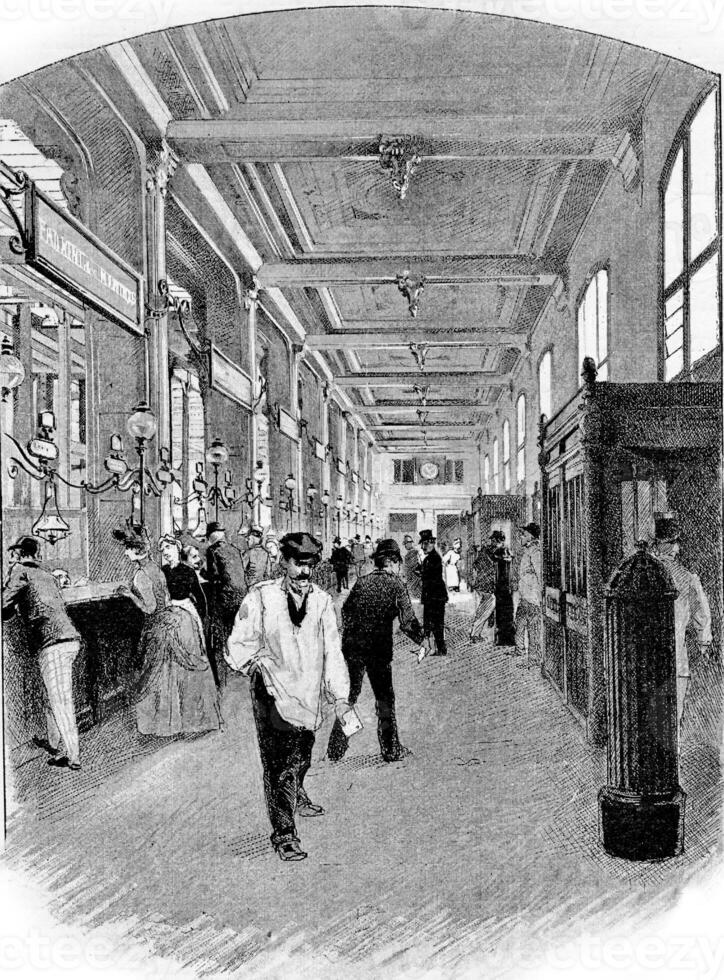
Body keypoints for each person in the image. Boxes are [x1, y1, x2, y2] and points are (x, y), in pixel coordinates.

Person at [226, 532, 354, 862]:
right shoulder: (261, 597)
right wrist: (257, 664)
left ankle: (296, 790)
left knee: (303, 756)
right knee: (278, 763)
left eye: (310, 566)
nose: (304, 573)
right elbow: (238, 641)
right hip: (270, 690)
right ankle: (284, 834)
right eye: (298, 565)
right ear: (284, 563)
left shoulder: (323, 602)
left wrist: (340, 695)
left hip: (307, 692)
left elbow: (333, 651)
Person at [327, 538, 429, 763]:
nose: (399, 568)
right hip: (378, 649)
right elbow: (408, 621)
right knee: (384, 698)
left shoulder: (362, 582)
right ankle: (391, 750)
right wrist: (422, 640)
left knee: (349, 696)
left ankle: (336, 748)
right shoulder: (396, 585)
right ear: (392, 562)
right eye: (398, 563)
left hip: (353, 647)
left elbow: (346, 610)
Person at [114, 527, 222, 736]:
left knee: (164, 673)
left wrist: (130, 595)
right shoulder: (156, 568)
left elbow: (151, 608)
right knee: (176, 673)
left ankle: (166, 723)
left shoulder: (141, 575)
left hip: (165, 622)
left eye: (127, 549)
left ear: (136, 551)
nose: (125, 553)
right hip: (181, 619)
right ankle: (187, 720)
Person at [2, 535, 82, 771]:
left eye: (14, 553)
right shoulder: (46, 574)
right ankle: (58, 749)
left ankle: (74, 756)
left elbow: (4, 600)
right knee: (51, 698)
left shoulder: (20, 571)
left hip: (53, 643)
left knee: (60, 701)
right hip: (67, 640)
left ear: (19, 553)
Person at [652, 514, 712, 726]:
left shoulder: (648, 573)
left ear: (657, 544)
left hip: (647, 663)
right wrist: (703, 645)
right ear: (675, 545)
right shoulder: (687, 577)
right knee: (672, 720)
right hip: (677, 662)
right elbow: (702, 619)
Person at [205, 521, 247, 688]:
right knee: (235, 630)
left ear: (211, 536)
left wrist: (202, 573)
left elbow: (214, 575)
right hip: (241, 596)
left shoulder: (212, 551)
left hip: (224, 597)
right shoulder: (235, 549)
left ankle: (222, 674)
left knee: (220, 633)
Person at [514, 523, 542, 667]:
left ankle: (533, 659)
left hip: (532, 597)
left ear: (531, 536)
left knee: (533, 629)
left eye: (524, 535)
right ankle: (519, 650)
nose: (521, 537)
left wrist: (539, 596)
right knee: (519, 623)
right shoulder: (528, 550)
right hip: (525, 596)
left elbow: (540, 575)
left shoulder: (535, 551)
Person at [469, 532, 504, 642]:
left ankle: (474, 632)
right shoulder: (493, 552)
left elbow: (475, 565)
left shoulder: (484, 550)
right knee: (487, 610)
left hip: (481, 585)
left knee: (481, 609)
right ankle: (475, 634)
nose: (499, 544)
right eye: (499, 542)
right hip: (487, 585)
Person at [419, 529, 448, 656]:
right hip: (432, 595)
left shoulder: (434, 558)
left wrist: (422, 573)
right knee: (430, 622)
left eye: (426, 544)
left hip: (435, 595)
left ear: (432, 543)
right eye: (423, 544)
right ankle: (435, 648)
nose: (423, 547)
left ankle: (440, 648)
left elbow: (432, 578)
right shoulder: (429, 559)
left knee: (436, 623)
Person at [402, 534, 422, 599]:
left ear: (409, 544)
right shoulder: (410, 553)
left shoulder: (413, 553)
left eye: (406, 543)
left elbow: (413, 566)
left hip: (414, 578)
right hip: (410, 578)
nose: (405, 545)